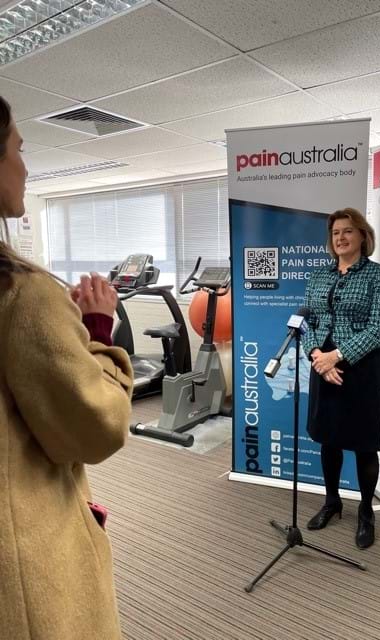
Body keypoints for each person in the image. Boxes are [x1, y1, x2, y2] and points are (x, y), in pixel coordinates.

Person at [0, 95, 134, 639]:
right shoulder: (22, 293)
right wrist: (98, 329)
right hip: (23, 558)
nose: (25, 167)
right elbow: (95, 428)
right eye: (18, 149)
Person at [302, 207, 380, 549]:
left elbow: (379, 328)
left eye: (348, 231)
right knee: (329, 439)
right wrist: (317, 356)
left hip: (360, 369)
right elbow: (307, 321)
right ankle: (332, 502)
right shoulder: (318, 276)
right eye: (335, 233)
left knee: (364, 443)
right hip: (322, 366)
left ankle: (366, 512)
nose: (340, 237)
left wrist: (336, 356)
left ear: (362, 236)